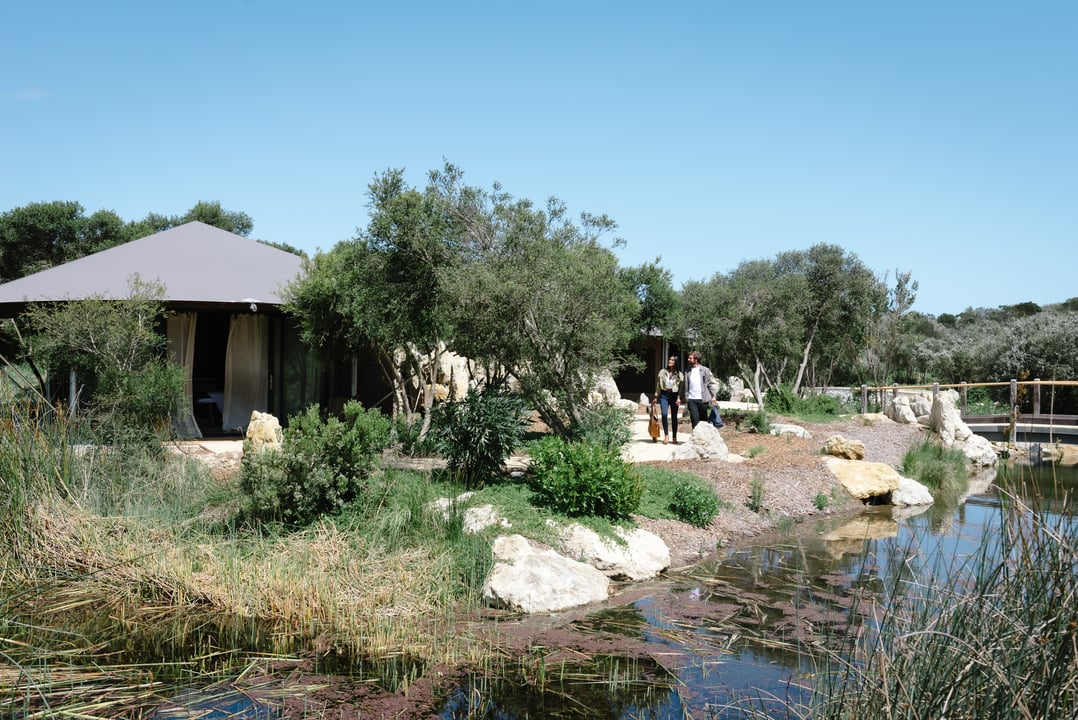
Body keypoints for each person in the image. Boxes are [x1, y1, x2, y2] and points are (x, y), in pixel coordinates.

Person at [684, 350, 717, 428]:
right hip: (691, 399)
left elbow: (710, 384)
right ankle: (696, 439)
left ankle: (704, 439)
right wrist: (683, 397)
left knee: (703, 422)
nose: (688, 359)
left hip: (703, 399)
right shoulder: (687, 371)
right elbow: (685, 385)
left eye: (690, 358)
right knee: (694, 420)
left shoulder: (705, 370)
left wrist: (714, 396)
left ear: (696, 359)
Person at [655, 355, 682, 444]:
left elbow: (681, 388)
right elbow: (658, 385)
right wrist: (656, 396)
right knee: (664, 414)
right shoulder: (662, 372)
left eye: (672, 360)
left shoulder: (679, 374)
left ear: (675, 362)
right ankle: (666, 435)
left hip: (674, 396)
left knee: (674, 417)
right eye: (669, 359)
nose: (669, 361)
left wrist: (679, 398)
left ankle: (674, 437)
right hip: (664, 395)